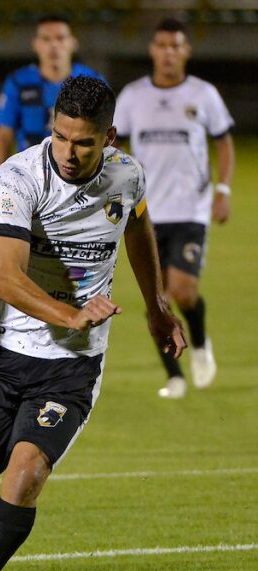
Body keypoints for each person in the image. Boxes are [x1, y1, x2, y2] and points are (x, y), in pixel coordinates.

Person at [0, 76, 185, 571]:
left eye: (84, 143)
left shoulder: (127, 174)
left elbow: (136, 224)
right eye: (61, 137)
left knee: (24, 480)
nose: (69, 153)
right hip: (2, 351)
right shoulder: (19, 178)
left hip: (71, 366)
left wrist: (156, 305)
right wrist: (69, 314)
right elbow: (7, 276)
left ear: (108, 138)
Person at [113, 18, 235, 399]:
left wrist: (223, 189)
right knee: (157, 298)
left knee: (183, 291)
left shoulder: (203, 94)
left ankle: (199, 344)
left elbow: (224, 143)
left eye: (175, 46)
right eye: (162, 45)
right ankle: (175, 377)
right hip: (146, 211)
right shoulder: (133, 96)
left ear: (186, 51)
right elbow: (113, 147)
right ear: (152, 50)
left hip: (190, 210)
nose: (168, 53)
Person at [0, 15, 103, 169]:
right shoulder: (18, 82)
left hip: (79, 174)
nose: (54, 45)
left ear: (73, 43)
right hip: (31, 174)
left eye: (60, 38)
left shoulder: (93, 81)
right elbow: (4, 135)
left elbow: (106, 131)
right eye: (46, 39)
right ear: (35, 44)